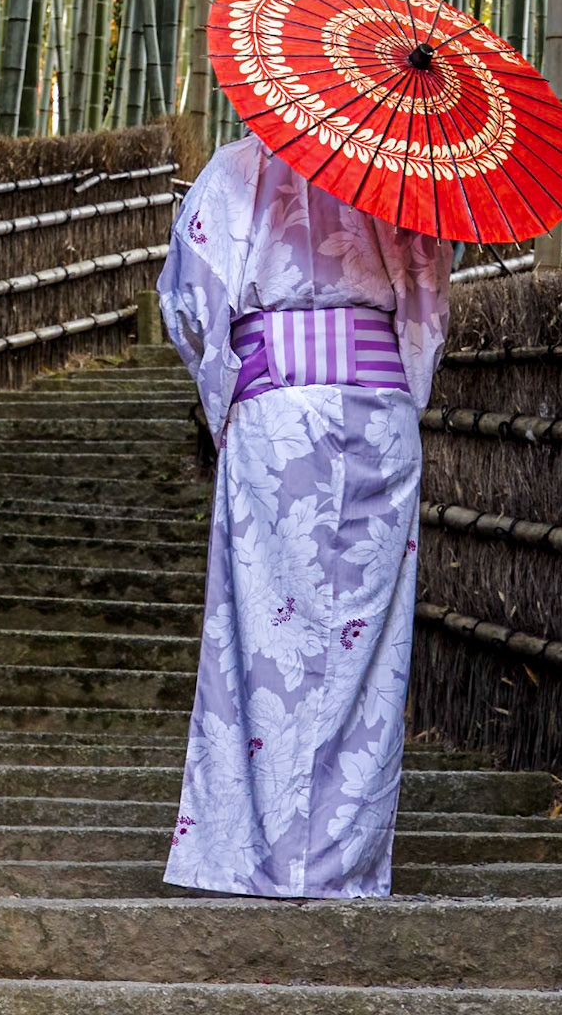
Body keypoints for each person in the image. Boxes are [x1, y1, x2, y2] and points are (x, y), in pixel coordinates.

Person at [157, 127, 458, 899]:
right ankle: (338, 864)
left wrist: (227, 396)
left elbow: (192, 306)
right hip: (376, 414)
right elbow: (426, 310)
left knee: (264, 634)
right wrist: (398, 396)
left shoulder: (236, 169)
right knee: (364, 642)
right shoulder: (403, 176)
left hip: (278, 415)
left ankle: (255, 855)